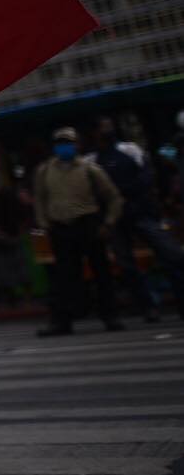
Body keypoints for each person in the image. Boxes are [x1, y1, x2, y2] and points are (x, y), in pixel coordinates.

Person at [33, 127, 124, 337]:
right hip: (60, 228)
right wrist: (44, 223)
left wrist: (108, 224)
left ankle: (110, 316)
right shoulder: (45, 170)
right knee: (63, 278)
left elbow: (114, 197)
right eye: (60, 142)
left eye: (68, 142)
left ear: (77, 144)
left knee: (102, 274)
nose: (64, 146)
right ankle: (62, 322)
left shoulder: (89, 168)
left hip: (88, 224)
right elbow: (39, 198)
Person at [92, 117, 184, 322]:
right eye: (103, 126)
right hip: (116, 219)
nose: (108, 129)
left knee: (172, 255)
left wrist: (125, 194)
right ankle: (147, 307)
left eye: (109, 125)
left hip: (142, 213)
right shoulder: (93, 160)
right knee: (127, 266)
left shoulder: (130, 149)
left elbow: (146, 177)